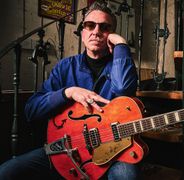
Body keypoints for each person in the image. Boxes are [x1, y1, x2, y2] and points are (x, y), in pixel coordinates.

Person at [0, 1, 139, 179]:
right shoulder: (65, 67)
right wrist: (68, 92)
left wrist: (121, 44)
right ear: (83, 32)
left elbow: (123, 89)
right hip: (65, 151)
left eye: (104, 27)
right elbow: (31, 110)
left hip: (112, 154)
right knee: (6, 172)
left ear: (111, 34)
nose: (96, 31)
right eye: (90, 25)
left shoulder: (120, 64)